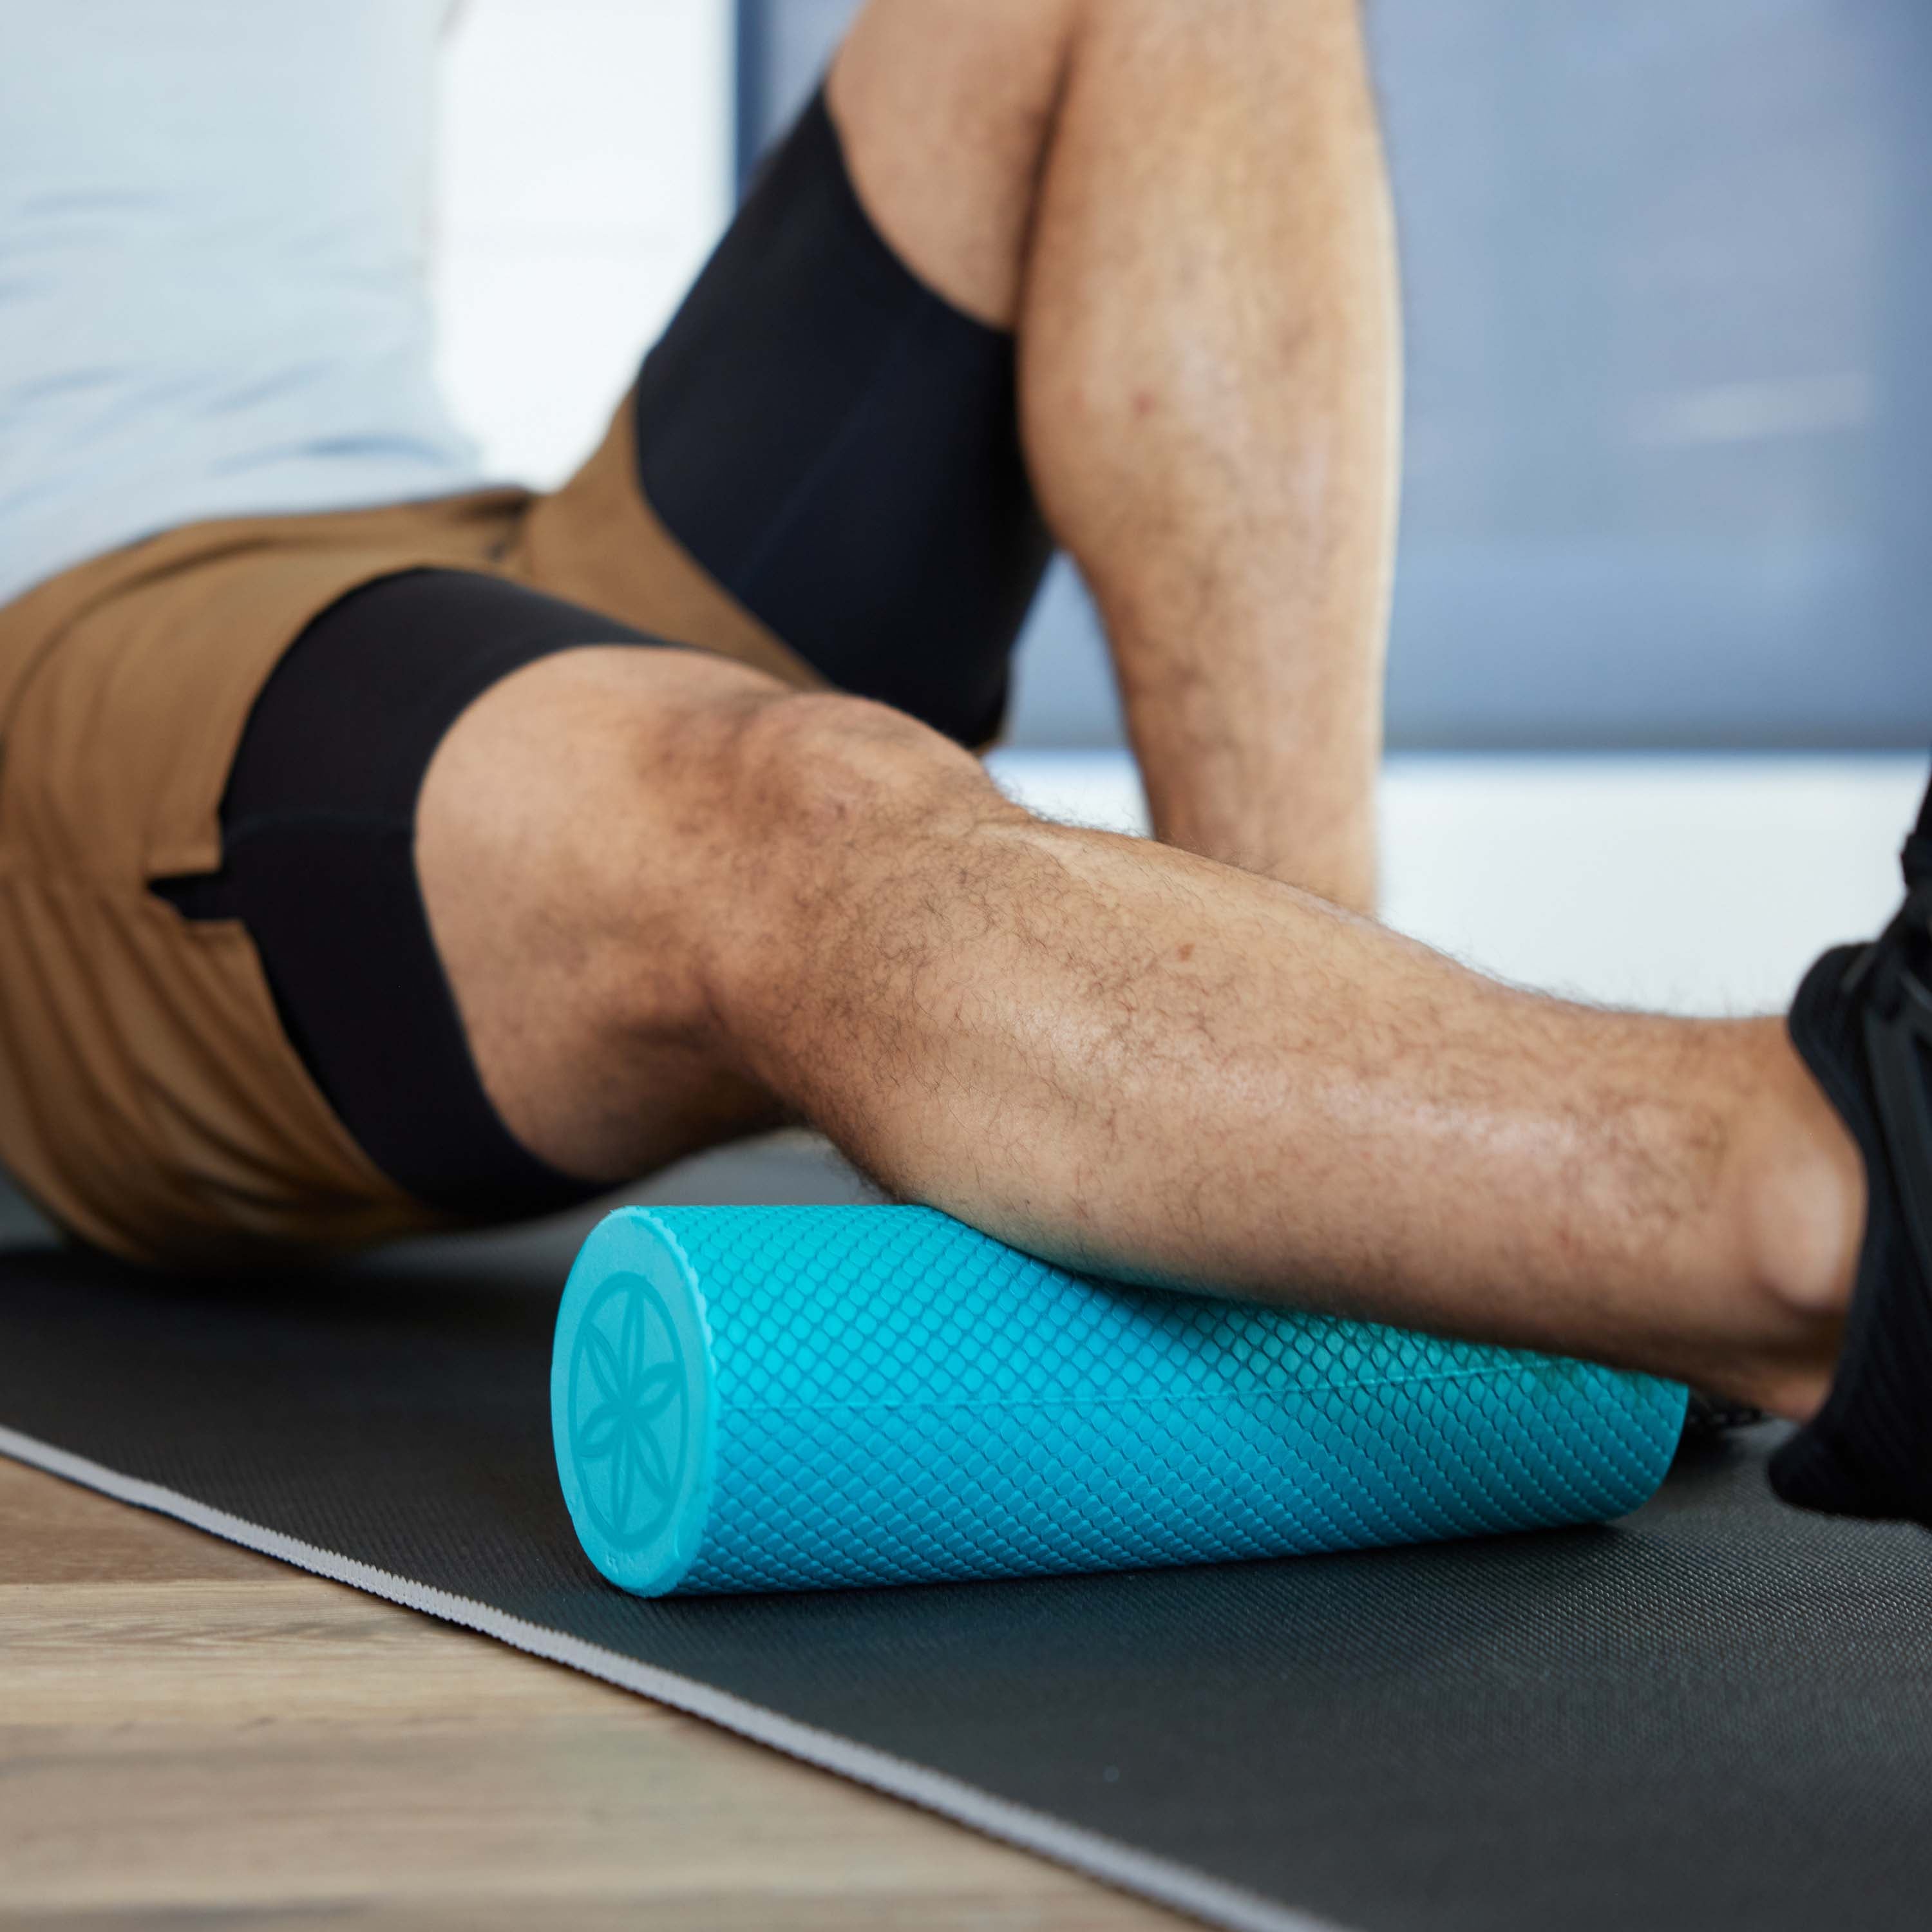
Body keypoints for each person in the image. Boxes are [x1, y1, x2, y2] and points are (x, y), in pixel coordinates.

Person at [0, 0, 1923, 1531]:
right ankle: (1823, 1210)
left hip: (477, 558)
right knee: (804, 813)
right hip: (83, 647)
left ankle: (1334, 1178)